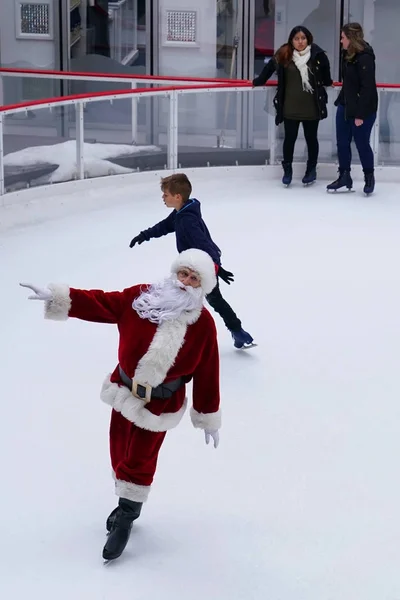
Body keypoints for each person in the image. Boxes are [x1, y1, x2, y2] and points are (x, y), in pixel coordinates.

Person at [20, 248, 221, 563]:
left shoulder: (203, 325)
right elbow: (102, 302)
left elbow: (208, 371)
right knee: (119, 451)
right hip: (123, 390)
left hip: (160, 404)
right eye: (183, 274)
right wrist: (60, 297)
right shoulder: (141, 299)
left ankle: (126, 516)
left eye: (194, 279)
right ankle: (125, 499)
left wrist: (207, 417)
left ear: (201, 287)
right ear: (174, 273)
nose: (185, 282)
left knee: (139, 459)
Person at [129, 173, 254, 349]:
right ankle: (238, 331)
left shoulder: (187, 220)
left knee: (192, 302)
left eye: (166, 195)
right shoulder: (182, 211)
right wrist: (145, 235)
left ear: (177, 197)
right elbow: (164, 226)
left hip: (200, 270)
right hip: (194, 267)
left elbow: (206, 245)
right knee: (213, 301)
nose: (163, 198)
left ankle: (228, 333)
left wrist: (217, 269)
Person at [252, 25, 333, 186]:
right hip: (290, 108)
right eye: (297, 39)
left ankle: (311, 170)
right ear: (291, 40)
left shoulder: (317, 55)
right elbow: (268, 70)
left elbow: (326, 77)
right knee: (289, 139)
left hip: (311, 107)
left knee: (311, 139)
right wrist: (258, 81)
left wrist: (328, 82)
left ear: (308, 39)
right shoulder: (284, 54)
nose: (300, 42)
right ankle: (287, 170)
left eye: (303, 38)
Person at [327, 23, 378, 195]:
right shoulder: (347, 55)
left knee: (362, 143)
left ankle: (369, 177)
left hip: (363, 110)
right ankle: (344, 176)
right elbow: (348, 82)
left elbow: (367, 87)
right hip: (346, 105)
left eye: (343, 37)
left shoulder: (365, 57)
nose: (341, 41)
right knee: (342, 142)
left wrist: (360, 114)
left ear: (351, 38)